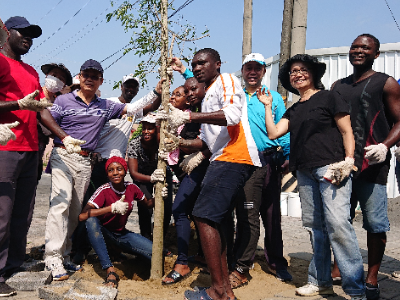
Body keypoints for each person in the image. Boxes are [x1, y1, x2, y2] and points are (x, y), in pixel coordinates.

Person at [259, 53, 365, 300]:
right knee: (314, 228)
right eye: (293, 71)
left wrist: (349, 161)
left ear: (314, 73)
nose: (297, 74)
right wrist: (266, 106)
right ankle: (320, 282)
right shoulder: (294, 109)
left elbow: (347, 130)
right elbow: (274, 132)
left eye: (302, 69)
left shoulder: (329, 97)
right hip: (304, 172)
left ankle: (356, 289)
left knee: (338, 224)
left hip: (331, 167)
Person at [159, 48, 261, 300]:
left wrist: (188, 115)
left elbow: (233, 116)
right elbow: (205, 143)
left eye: (202, 63)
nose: (196, 67)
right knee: (214, 221)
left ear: (217, 64)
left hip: (234, 156)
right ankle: (224, 291)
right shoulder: (206, 98)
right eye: (193, 64)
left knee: (202, 216)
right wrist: (175, 141)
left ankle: (217, 291)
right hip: (221, 156)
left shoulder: (225, 80)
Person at [44, 59, 151, 281]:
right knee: (60, 203)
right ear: (80, 77)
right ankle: (52, 256)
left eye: (95, 76)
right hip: (64, 154)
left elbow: (132, 108)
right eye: (86, 75)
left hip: (84, 162)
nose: (90, 79)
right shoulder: (64, 100)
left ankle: (65, 254)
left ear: (100, 81)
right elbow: (46, 118)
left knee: (75, 211)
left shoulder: (105, 105)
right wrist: (64, 137)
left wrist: (157, 91)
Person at [0, 16, 83, 296]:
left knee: (22, 213)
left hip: (30, 149)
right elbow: (22, 104)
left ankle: (13, 264)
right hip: (5, 147)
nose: (28, 38)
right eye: (23, 32)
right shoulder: (1, 62)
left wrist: (64, 136)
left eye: (32, 35)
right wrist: (17, 104)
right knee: (2, 212)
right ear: (7, 33)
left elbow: (41, 108)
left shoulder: (30, 71)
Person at [330, 34, 400, 300]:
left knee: (375, 223)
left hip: (372, 164)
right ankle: (340, 268)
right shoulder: (338, 85)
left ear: (376, 54)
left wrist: (385, 146)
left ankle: (372, 277)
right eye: (355, 46)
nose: (358, 50)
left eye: (365, 48)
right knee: (339, 220)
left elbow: (399, 121)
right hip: (342, 165)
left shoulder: (386, 83)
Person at [71, 74, 164, 264]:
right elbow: (94, 129)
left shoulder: (133, 112)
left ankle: (111, 248)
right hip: (98, 164)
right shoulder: (109, 104)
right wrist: (93, 151)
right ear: (121, 87)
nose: (131, 90)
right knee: (89, 207)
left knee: (113, 210)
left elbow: (150, 107)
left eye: (134, 87)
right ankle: (79, 250)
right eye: (128, 86)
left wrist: (161, 92)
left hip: (115, 169)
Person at [230, 53, 292, 287]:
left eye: (258, 68)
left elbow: (282, 127)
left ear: (264, 71)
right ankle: (241, 261)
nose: (253, 72)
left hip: (269, 160)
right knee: (246, 213)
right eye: (249, 68)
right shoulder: (236, 97)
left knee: (271, 214)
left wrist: (286, 155)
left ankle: (276, 262)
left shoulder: (274, 97)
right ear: (243, 71)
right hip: (244, 161)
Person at [78, 149, 154, 289]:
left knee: (154, 253)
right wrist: (111, 208)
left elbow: (148, 203)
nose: (115, 173)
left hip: (122, 234)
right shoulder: (104, 190)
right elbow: (82, 216)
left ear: (125, 171)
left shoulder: (131, 188)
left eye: (119, 169)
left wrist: (160, 196)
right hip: (104, 233)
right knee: (91, 221)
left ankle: (118, 251)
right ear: (107, 174)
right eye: (111, 170)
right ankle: (109, 269)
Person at [162, 79, 210, 285]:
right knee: (194, 211)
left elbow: (205, 142)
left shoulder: (198, 117)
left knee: (179, 210)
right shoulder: (176, 118)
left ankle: (182, 263)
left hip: (198, 169)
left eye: (178, 94)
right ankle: (202, 254)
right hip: (184, 171)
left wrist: (185, 146)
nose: (174, 97)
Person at [127, 113, 172, 241]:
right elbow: (133, 173)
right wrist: (151, 179)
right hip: (143, 175)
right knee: (145, 205)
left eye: (150, 128)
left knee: (166, 207)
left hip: (162, 173)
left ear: (157, 129)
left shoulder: (162, 142)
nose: (146, 132)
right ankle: (146, 239)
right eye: (144, 128)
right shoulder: (135, 144)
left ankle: (160, 241)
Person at [37, 63, 73, 182]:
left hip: (38, 151)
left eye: (61, 78)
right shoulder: (35, 93)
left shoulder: (59, 103)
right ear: (47, 75)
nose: (56, 79)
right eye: (54, 75)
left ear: (63, 85)